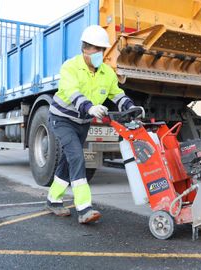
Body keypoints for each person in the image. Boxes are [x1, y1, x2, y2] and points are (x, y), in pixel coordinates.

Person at [46, 25, 135, 224]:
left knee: (68, 161)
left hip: (82, 122)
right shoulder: (70, 67)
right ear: (85, 49)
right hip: (62, 119)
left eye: (101, 49)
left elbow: (116, 93)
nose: (99, 54)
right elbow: (73, 93)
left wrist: (131, 107)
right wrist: (89, 107)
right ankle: (84, 207)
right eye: (95, 49)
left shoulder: (107, 72)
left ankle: (53, 200)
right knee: (77, 157)